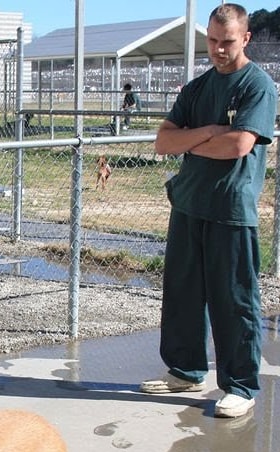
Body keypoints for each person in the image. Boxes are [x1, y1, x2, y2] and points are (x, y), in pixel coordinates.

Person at [139, 3, 277, 419]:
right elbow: (164, 142)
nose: (218, 49)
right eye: (213, 41)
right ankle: (185, 370)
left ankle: (240, 385)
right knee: (182, 294)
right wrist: (211, 133)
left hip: (230, 209)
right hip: (189, 203)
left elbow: (239, 146)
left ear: (246, 38)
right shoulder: (198, 89)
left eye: (227, 41)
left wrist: (193, 141)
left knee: (233, 300)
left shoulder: (258, 86)